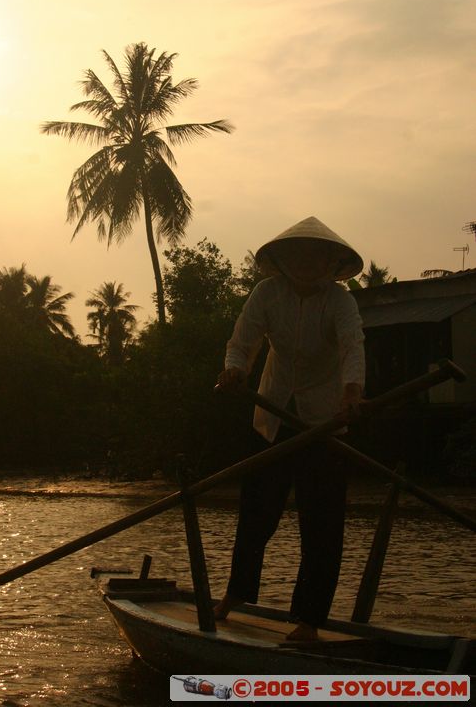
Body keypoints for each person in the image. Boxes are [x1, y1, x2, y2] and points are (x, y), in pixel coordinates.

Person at [214, 216, 365, 642]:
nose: (306, 262)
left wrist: (352, 392)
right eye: (298, 255)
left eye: (316, 255)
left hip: (324, 423)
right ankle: (236, 595)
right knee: (256, 515)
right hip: (273, 416)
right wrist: (234, 371)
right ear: (283, 259)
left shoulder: (340, 303)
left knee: (322, 524)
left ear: (330, 261)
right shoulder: (267, 294)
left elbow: (354, 346)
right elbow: (242, 343)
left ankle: (309, 620)